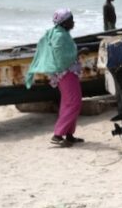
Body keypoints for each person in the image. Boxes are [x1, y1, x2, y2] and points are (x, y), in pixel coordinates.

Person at [26, 9, 84, 147]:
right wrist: (79, 52)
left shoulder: (60, 33)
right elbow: (61, 57)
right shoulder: (60, 36)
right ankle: (58, 134)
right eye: (71, 20)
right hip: (65, 74)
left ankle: (69, 135)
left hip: (66, 74)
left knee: (67, 103)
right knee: (74, 103)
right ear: (64, 22)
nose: (73, 22)